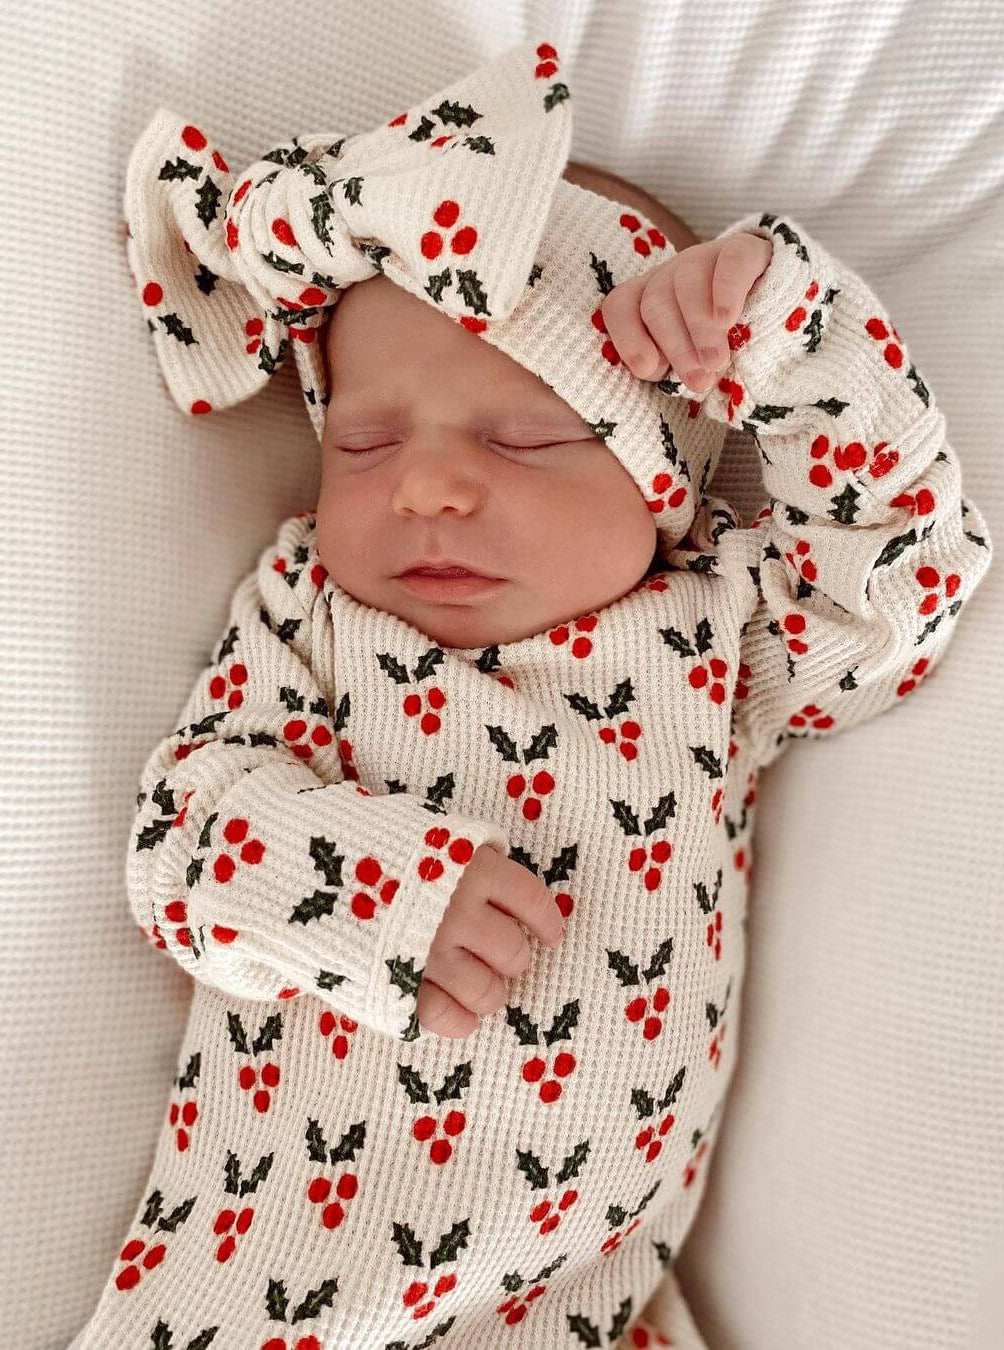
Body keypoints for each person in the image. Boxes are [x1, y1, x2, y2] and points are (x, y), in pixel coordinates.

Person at [70, 38, 992, 1349]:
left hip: (589, 1300)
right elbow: (182, 839)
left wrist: (796, 337)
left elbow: (908, 582)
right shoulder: (317, 616)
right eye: (367, 440)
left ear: (664, 481)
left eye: (528, 438)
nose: (428, 487)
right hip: (288, 1292)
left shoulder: (715, 633)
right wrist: (379, 890)